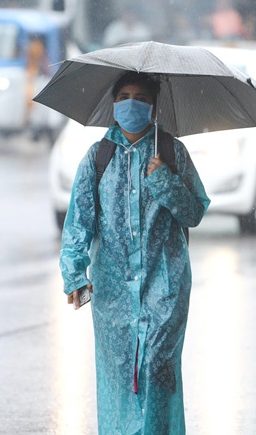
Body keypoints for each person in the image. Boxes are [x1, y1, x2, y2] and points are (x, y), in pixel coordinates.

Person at [60, 71, 210, 435]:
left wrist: (164, 180)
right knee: (118, 379)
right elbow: (79, 223)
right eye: (124, 95)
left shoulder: (172, 152)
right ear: (113, 104)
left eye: (142, 97)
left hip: (166, 287)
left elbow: (194, 212)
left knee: (158, 371)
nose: (132, 103)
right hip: (112, 295)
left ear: (154, 106)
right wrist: (75, 276)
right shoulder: (98, 157)